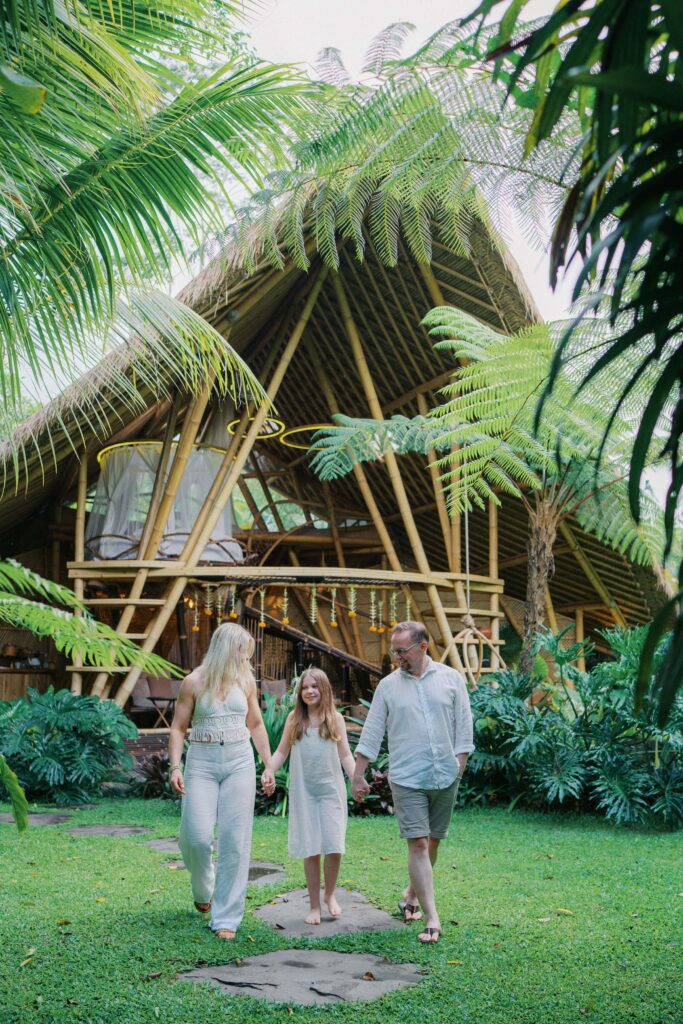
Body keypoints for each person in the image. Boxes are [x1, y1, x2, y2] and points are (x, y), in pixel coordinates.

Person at [351, 621, 474, 944]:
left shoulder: (451, 680)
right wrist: (358, 773)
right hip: (407, 777)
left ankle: (410, 894)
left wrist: (459, 764)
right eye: (394, 650)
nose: (396, 656)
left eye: (401, 650)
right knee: (418, 842)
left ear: (422, 647)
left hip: (445, 774)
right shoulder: (388, 687)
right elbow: (373, 731)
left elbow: (464, 726)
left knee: (433, 841)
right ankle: (432, 918)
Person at [168, 622, 273, 940]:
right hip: (202, 761)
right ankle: (204, 889)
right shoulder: (194, 682)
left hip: (239, 761)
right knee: (197, 838)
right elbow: (177, 728)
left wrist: (269, 765)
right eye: (243, 650)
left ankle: (226, 918)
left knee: (235, 841)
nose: (246, 657)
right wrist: (175, 767)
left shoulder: (246, 681)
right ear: (227, 648)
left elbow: (255, 724)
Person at [262, 668, 356, 925]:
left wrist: (358, 779)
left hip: (330, 791)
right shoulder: (295, 719)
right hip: (305, 793)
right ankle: (314, 905)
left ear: (324, 690)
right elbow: (281, 752)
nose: (310, 691)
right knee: (311, 848)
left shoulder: (334, 719)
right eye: (305, 687)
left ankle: (330, 894)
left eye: (315, 686)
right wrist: (269, 769)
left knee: (334, 845)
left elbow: (345, 755)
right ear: (299, 692)